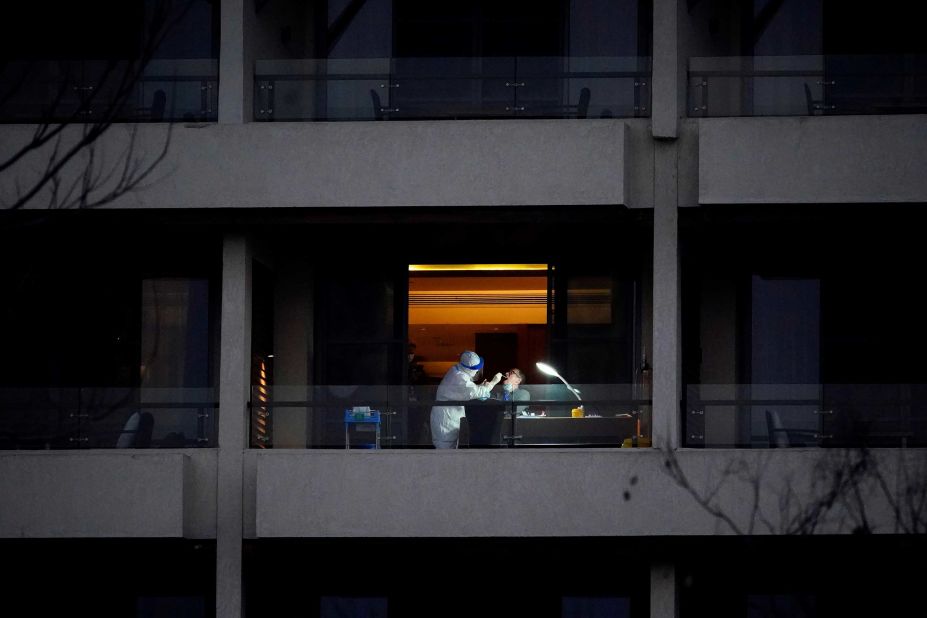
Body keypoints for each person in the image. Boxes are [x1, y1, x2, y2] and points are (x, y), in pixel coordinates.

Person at [430, 350, 502, 449]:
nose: (478, 371)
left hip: (450, 417)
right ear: (471, 370)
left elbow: (467, 390)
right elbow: (474, 392)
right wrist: (493, 382)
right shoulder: (459, 378)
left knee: (450, 451)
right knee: (445, 453)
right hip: (446, 421)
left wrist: (479, 386)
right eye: (477, 369)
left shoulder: (457, 370)